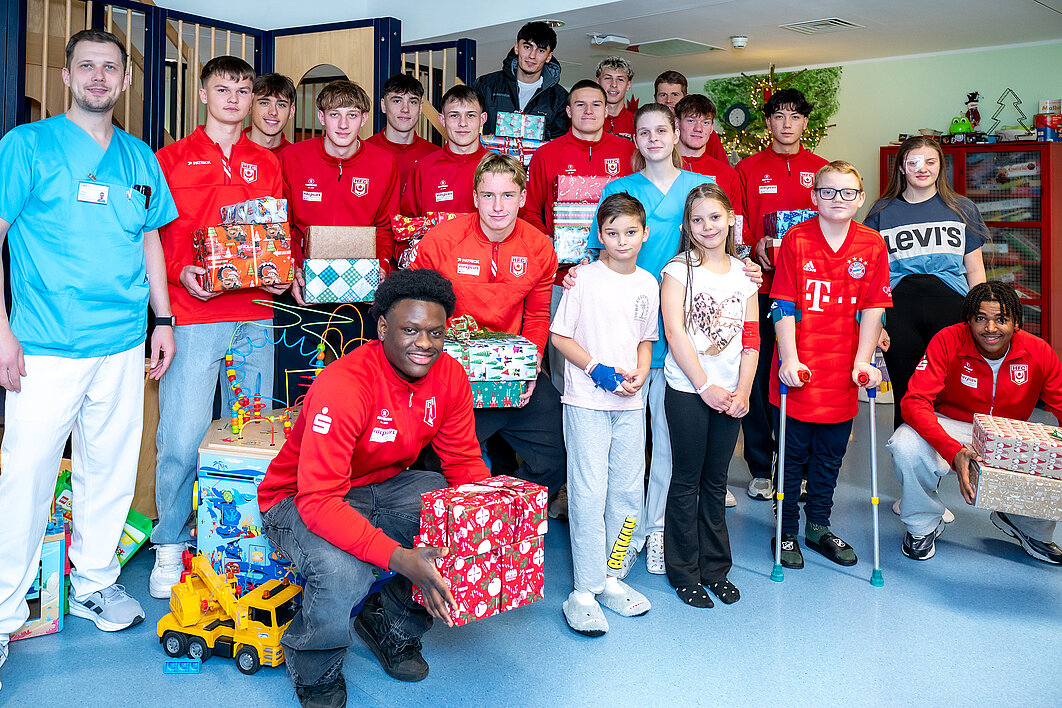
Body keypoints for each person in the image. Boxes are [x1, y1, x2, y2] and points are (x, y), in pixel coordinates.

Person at [0, 29, 178, 668]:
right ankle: (3, 609)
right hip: (46, 342)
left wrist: (163, 319)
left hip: (124, 340)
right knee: (27, 474)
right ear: (68, 77)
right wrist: (2, 334)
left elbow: (150, 241)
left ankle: (96, 579)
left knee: (112, 464)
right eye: (87, 67)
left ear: (126, 82)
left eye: (111, 68)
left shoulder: (139, 158)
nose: (99, 77)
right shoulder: (26, 147)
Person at [258, 269, 491, 704]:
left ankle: (391, 623)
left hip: (380, 487)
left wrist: (486, 524)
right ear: (383, 327)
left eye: (436, 333)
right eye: (410, 330)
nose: (424, 344)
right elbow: (319, 500)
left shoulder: (451, 377)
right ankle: (315, 666)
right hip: (299, 500)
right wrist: (398, 558)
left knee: (455, 516)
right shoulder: (345, 385)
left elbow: (462, 461)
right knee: (343, 572)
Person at [151, 56, 286, 599]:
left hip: (254, 315)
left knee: (247, 434)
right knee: (181, 435)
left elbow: (277, 231)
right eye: (223, 87)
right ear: (203, 94)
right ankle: (168, 542)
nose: (234, 97)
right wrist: (182, 270)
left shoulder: (266, 161)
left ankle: (240, 542)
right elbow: (156, 238)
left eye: (244, 88)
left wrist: (280, 271)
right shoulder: (169, 159)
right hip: (194, 316)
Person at [583, 103, 731, 574]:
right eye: (643, 132)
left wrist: (744, 264)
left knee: (667, 449)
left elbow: (720, 244)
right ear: (634, 138)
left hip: (681, 334)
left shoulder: (697, 188)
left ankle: (657, 532)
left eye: (661, 130)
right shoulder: (619, 189)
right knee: (621, 454)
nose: (653, 138)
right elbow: (597, 253)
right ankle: (616, 540)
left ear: (676, 135)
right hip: (624, 332)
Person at [411, 153, 565, 495]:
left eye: (508, 195)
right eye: (489, 196)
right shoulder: (442, 241)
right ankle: (468, 514)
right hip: (451, 372)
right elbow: (416, 311)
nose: (498, 206)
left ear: (523, 198)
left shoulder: (539, 248)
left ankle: (507, 506)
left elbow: (537, 316)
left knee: (564, 446)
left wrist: (531, 364)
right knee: (435, 469)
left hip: (510, 370)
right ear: (475, 197)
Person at [769, 161, 891, 569]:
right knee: (791, 456)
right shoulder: (796, 240)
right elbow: (782, 305)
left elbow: (874, 307)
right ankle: (786, 531)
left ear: (860, 198)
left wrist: (865, 360)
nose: (838, 199)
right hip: (798, 370)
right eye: (829, 191)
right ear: (814, 196)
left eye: (848, 193)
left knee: (830, 457)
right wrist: (788, 358)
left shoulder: (872, 244)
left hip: (841, 371)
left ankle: (817, 525)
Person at [888, 281, 1062, 563]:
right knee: (905, 444)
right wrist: (952, 450)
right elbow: (914, 401)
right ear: (969, 319)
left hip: (1005, 430)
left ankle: (1029, 527)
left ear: (1016, 322)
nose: (990, 329)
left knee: (1051, 447)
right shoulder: (948, 339)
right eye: (981, 318)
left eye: (1001, 319)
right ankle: (922, 525)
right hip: (952, 423)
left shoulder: (1038, 351)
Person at [551, 193, 657, 636]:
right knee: (589, 493)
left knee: (628, 493)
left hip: (631, 405)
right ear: (600, 235)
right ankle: (583, 590)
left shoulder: (648, 283)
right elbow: (560, 337)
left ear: (644, 234)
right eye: (612, 233)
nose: (622, 240)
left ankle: (612, 577)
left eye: (630, 232)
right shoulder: (584, 281)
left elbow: (645, 339)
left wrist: (641, 373)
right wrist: (596, 368)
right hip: (587, 404)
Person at [661, 184, 758, 607]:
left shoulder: (743, 273)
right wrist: (705, 386)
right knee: (687, 481)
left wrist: (744, 391)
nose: (707, 227)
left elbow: (752, 337)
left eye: (714, 218)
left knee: (716, 482)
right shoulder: (678, 270)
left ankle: (715, 568)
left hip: (732, 394)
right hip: (688, 390)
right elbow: (675, 331)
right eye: (697, 220)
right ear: (687, 226)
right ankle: (683, 571)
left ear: (730, 219)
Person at [736, 87, 829, 503]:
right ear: (768, 122)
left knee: (801, 376)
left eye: (795, 116)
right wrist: (754, 244)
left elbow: (835, 228)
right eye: (779, 115)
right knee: (755, 380)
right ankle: (760, 467)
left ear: (805, 123)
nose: (786, 123)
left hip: (810, 296)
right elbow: (737, 225)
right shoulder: (748, 169)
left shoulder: (823, 170)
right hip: (759, 290)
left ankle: (798, 467)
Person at [864, 135, 987, 430]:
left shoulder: (962, 208)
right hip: (897, 310)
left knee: (948, 389)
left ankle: (949, 455)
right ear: (902, 168)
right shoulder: (881, 212)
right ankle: (907, 460)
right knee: (906, 389)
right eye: (914, 162)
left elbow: (975, 269)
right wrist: (873, 320)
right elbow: (869, 274)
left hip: (951, 307)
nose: (923, 168)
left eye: (930, 162)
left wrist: (980, 313)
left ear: (940, 166)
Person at [520, 79, 635, 392]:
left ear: (606, 109)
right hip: (563, 279)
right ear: (569, 111)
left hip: (617, 277)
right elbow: (529, 211)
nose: (589, 111)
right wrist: (548, 241)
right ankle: (561, 438)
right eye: (581, 104)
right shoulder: (546, 155)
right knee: (562, 367)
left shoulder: (627, 152)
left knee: (617, 355)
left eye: (596, 104)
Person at [280, 79, 400, 274]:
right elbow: (284, 226)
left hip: (362, 274)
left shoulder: (384, 163)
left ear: (364, 118)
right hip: (304, 272)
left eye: (352, 115)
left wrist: (382, 266)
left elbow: (385, 229)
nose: (343, 124)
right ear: (321, 116)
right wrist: (293, 268)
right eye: (334, 114)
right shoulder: (292, 158)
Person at [472, 21, 570, 140]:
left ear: (549, 56)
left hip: (536, 159)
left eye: (541, 50)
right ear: (517, 48)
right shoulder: (486, 85)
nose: (532, 56)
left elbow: (558, 144)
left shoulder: (559, 98)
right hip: (492, 158)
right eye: (527, 47)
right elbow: (468, 125)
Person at [402, 84, 489, 216]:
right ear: (442, 120)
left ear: (482, 119)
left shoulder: (500, 167)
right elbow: (409, 224)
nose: (463, 123)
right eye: (454, 115)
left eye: (470, 115)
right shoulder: (423, 169)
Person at [675, 94, 745, 235]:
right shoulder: (661, 169)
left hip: (714, 254)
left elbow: (737, 223)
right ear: (677, 123)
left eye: (705, 122)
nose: (698, 128)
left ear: (712, 127)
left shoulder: (728, 174)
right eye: (691, 121)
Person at [366, 73, 440, 201]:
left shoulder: (436, 155)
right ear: (383, 105)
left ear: (420, 107)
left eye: (412, 102)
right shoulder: (363, 151)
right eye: (397, 101)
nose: (405, 109)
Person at [653, 70, 726, 160]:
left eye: (675, 95)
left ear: (685, 98)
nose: (668, 100)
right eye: (663, 95)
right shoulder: (648, 131)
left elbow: (721, 168)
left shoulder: (704, 133)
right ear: (655, 99)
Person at [246, 72, 296, 154]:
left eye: (281, 105)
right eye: (264, 103)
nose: (273, 112)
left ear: (291, 111)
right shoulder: (229, 148)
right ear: (249, 107)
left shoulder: (294, 158)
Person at [596, 56, 635, 140]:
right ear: (597, 82)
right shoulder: (586, 120)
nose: (614, 84)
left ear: (628, 85)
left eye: (620, 79)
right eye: (608, 78)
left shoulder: (638, 122)